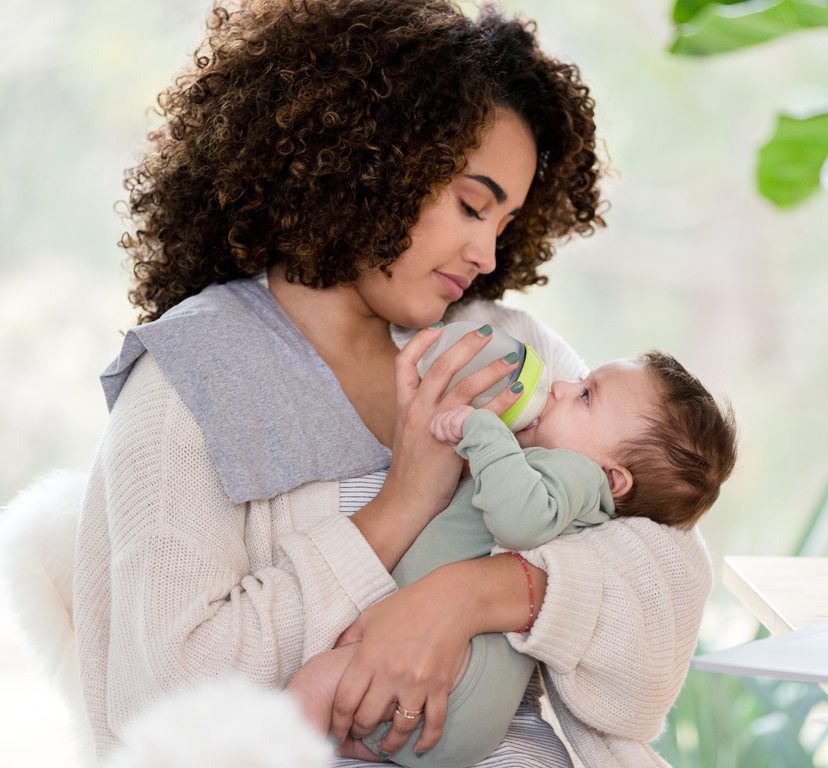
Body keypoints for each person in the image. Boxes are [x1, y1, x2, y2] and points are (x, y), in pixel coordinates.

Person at [73, 1, 717, 766]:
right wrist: (402, 502)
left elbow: (666, 580)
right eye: (471, 205)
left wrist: (466, 598)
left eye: (505, 223)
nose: (485, 252)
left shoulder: (506, 348)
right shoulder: (193, 378)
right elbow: (166, 699)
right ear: (367, 162)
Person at [288, 350, 738, 765]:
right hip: (465, 712)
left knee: (311, 689)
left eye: (584, 395)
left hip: (460, 680)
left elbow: (518, 521)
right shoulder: (565, 487)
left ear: (613, 480)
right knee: (332, 722)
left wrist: (483, 431)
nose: (560, 386)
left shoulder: (577, 475)